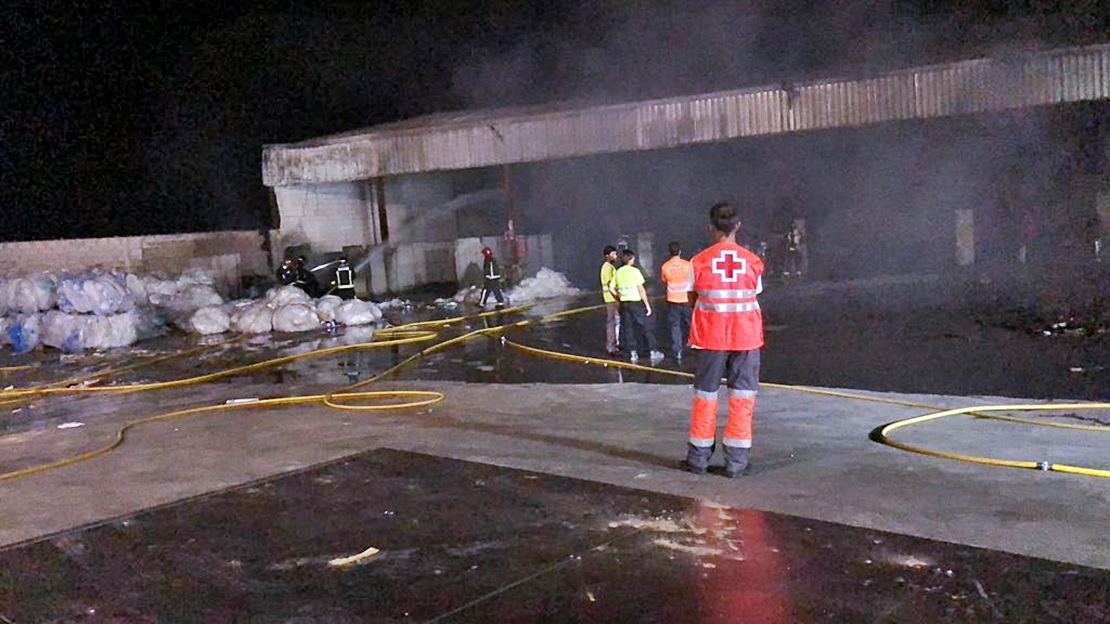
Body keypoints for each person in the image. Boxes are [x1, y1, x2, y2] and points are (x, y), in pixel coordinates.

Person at [684, 202, 765, 477]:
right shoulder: (753, 262)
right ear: (738, 227)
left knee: (705, 397)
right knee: (742, 398)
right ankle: (736, 463)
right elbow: (754, 293)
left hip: (710, 338)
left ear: (711, 228)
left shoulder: (698, 262)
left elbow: (690, 298)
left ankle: (698, 459)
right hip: (746, 338)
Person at [610, 249, 663, 364]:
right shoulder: (634, 271)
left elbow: (611, 288)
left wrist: (619, 296)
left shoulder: (618, 272)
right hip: (635, 302)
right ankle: (652, 351)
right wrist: (647, 305)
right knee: (645, 327)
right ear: (630, 259)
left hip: (625, 303)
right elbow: (641, 289)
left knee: (628, 328)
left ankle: (633, 353)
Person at [660, 241, 693, 360]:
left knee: (675, 325)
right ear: (680, 251)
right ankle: (693, 343)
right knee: (690, 323)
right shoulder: (687, 265)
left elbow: (664, 280)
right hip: (686, 299)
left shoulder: (665, 266)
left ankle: (677, 350)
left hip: (672, 300)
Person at [600, 245, 621, 355]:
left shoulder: (609, 267)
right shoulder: (607, 268)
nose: (615, 256)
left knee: (614, 321)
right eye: (613, 254)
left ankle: (614, 344)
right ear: (607, 256)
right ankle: (611, 346)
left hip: (611, 298)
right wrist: (618, 296)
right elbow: (610, 285)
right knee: (612, 322)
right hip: (611, 299)